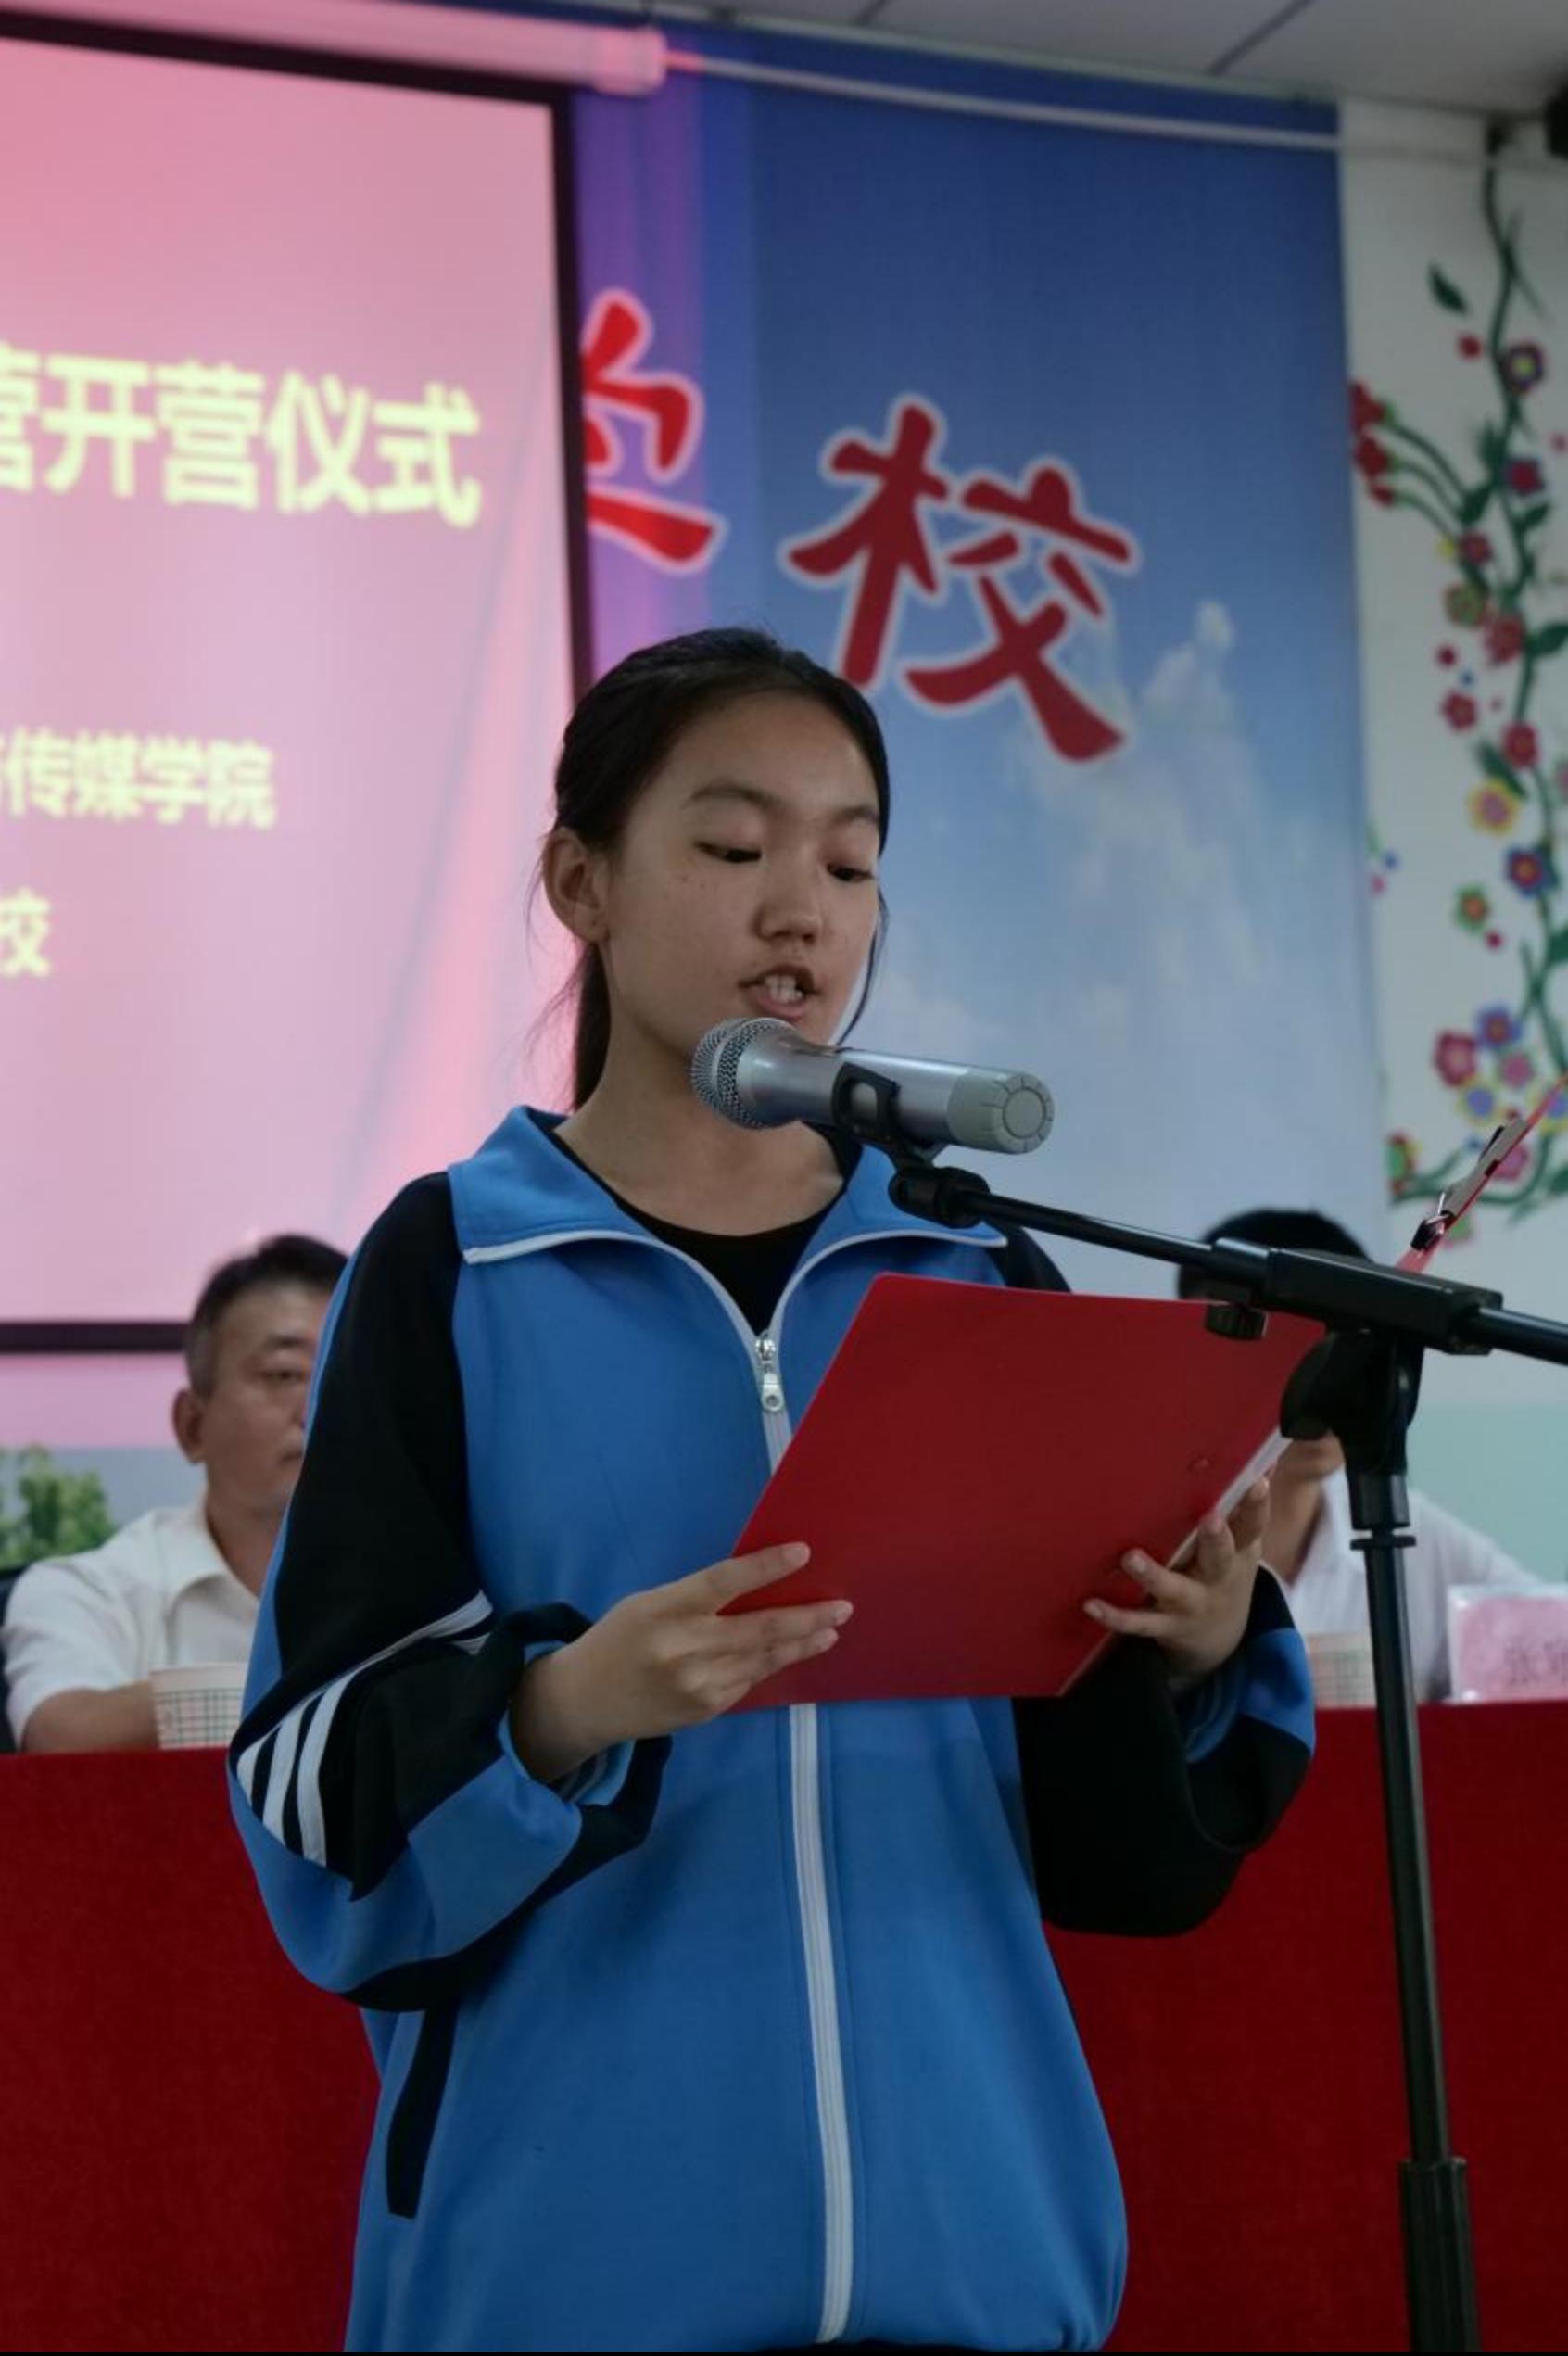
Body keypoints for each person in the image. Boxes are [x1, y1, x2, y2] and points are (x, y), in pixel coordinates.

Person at [230, 629, 1313, 2356]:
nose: (799, 908)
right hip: (567, 2270)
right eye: (734, 846)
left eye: (850, 862)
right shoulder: (452, 1269)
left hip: (972, 2250)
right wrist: (564, 1705)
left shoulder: (973, 1268)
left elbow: (1113, 1848)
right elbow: (305, 1775)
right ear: (581, 882)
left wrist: (1185, 1650)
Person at [1177, 1208, 1540, 1700]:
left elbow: (1546, 1641)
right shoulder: (1156, 1538)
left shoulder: (1411, 1528)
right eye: (1298, 1346)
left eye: (1345, 1348)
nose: (1332, 1382)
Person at [5, 1234, 345, 1753]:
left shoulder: (439, 1590)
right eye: (284, 1374)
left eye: (345, 1376)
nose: (316, 1408)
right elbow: (60, 1735)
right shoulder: (90, 1593)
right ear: (192, 1425)